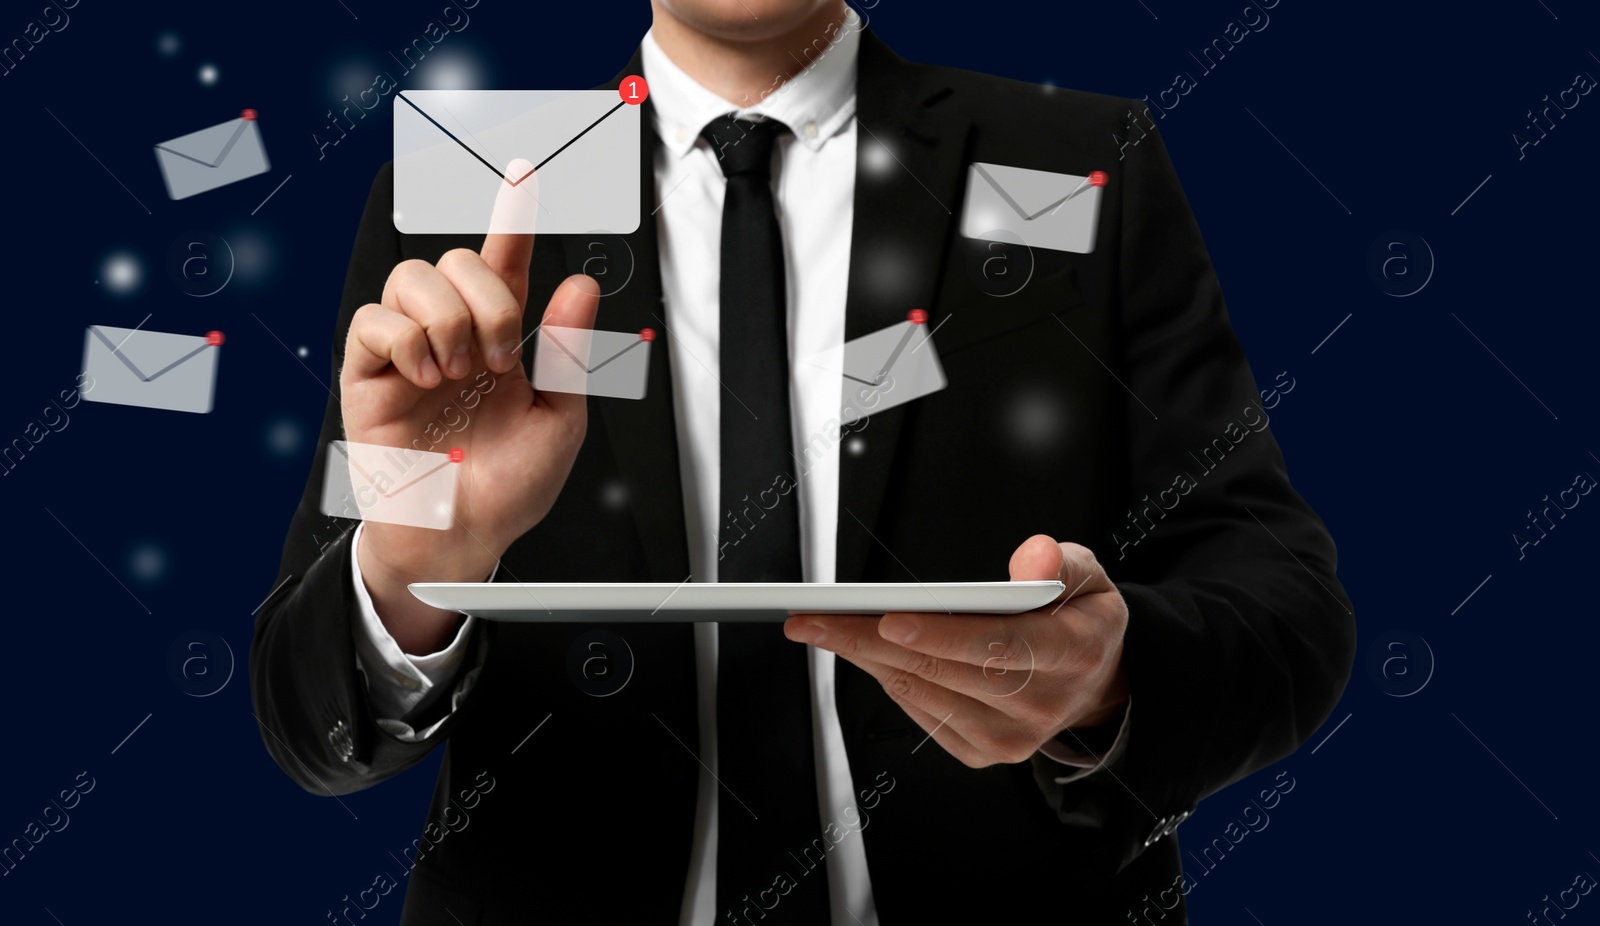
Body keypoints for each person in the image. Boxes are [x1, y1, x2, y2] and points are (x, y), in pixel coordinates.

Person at [251, 2, 1355, 923]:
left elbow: (1286, 607)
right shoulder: (471, 179)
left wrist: (1105, 682)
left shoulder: (1073, 159)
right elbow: (312, 728)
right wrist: (408, 564)